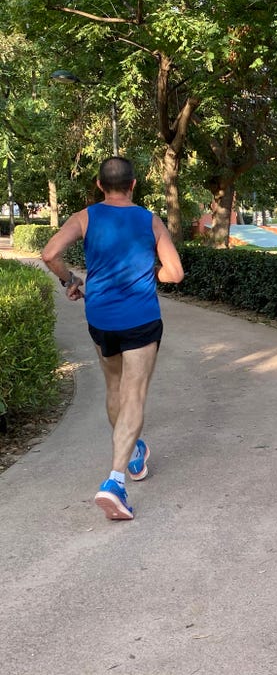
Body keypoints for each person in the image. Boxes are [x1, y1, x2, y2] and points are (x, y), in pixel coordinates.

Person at [42, 156, 184, 521]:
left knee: (115, 386)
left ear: (100, 185)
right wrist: (152, 273)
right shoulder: (150, 221)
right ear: (134, 184)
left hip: (100, 317)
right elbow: (176, 273)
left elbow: (50, 254)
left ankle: (134, 454)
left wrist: (69, 281)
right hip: (140, 319)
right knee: (134, 394)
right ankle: (115, 482)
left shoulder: (85, 217)